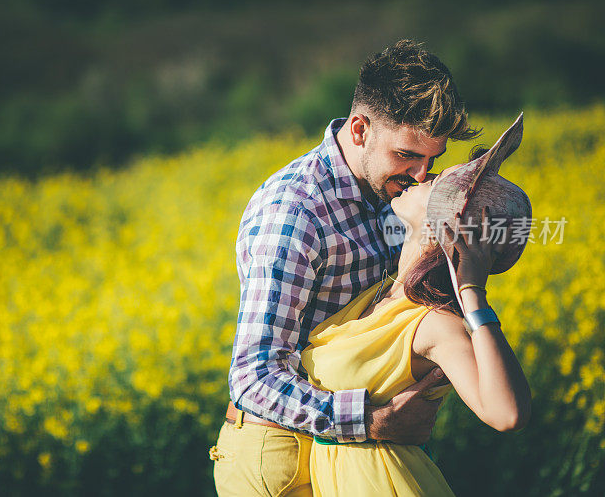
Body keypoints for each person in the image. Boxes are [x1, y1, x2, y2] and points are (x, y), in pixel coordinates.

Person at [210, 39, 480, 496]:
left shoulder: (395, 194)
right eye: (407, 155)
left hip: (357, 453)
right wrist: (374, 421)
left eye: (432, 159)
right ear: (359, 129)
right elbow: (253, 376)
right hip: (282, 457)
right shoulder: (295, 211)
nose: (421, 175)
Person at [303, 114, 532, 496]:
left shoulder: (434, 324)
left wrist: (472, 291)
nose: (421, 177)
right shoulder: (378, 293)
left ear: (447, 222)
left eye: (437, 181)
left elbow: (508, 414)